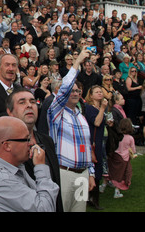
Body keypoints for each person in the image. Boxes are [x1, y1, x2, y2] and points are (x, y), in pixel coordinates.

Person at [47, 49, 96, 212]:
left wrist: (91, 173)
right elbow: (64, 88)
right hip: (64, 174)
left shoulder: (80, 116)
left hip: (82, 174)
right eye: (71, 90)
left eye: (77, 90)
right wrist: (77, 63)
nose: (75, 93)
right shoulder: (56, 113)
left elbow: (87, 146)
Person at [0, 116, 59, 212]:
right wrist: (41, 167)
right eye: (26, 139)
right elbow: (46, 208)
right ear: (7, 145)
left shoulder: (13, 166)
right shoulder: (2, 180)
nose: (31, 143)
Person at [5, 88, 63, 211]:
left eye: (32, 101)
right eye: (22, 102)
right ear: (10, 112)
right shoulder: (6, 147)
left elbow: (55, 184)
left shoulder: (47, 141)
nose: (29, 106)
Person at [84, 85, 109, 210]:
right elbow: (96, 122)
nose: (100, 94)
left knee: (98, 167)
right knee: (94, 167)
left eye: (101, 91)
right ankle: (93, 199)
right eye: (97, 92)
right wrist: (103, 109)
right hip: (91, 143)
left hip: (99, 142)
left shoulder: (99, 108)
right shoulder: (89, 108)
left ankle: (92, 197)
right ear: (91, 95)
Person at [107, 118, 136, 199]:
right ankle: (117, 191)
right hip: (124, 159)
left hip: (115, 157)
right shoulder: (130, 138)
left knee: (112, 172)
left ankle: (103, 185)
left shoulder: (117, 136)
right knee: (121, 175)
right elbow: (133, 150)